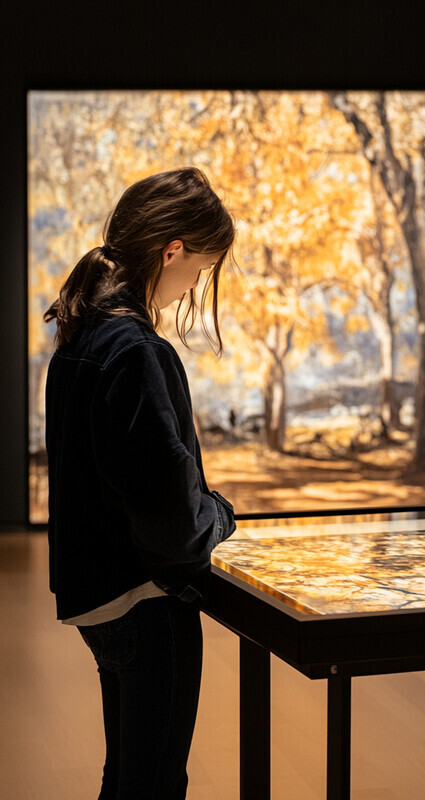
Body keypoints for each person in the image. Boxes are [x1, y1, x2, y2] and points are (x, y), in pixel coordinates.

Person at [44, 167, 238, 799]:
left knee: (125, 776)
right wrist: (221, 515)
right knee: (153, 784)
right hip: (146, 602)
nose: (195, 284)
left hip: (96, 595)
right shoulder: (137, 351)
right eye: (201, 268)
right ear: (172, 249)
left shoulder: (83, 337)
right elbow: (174, 523)